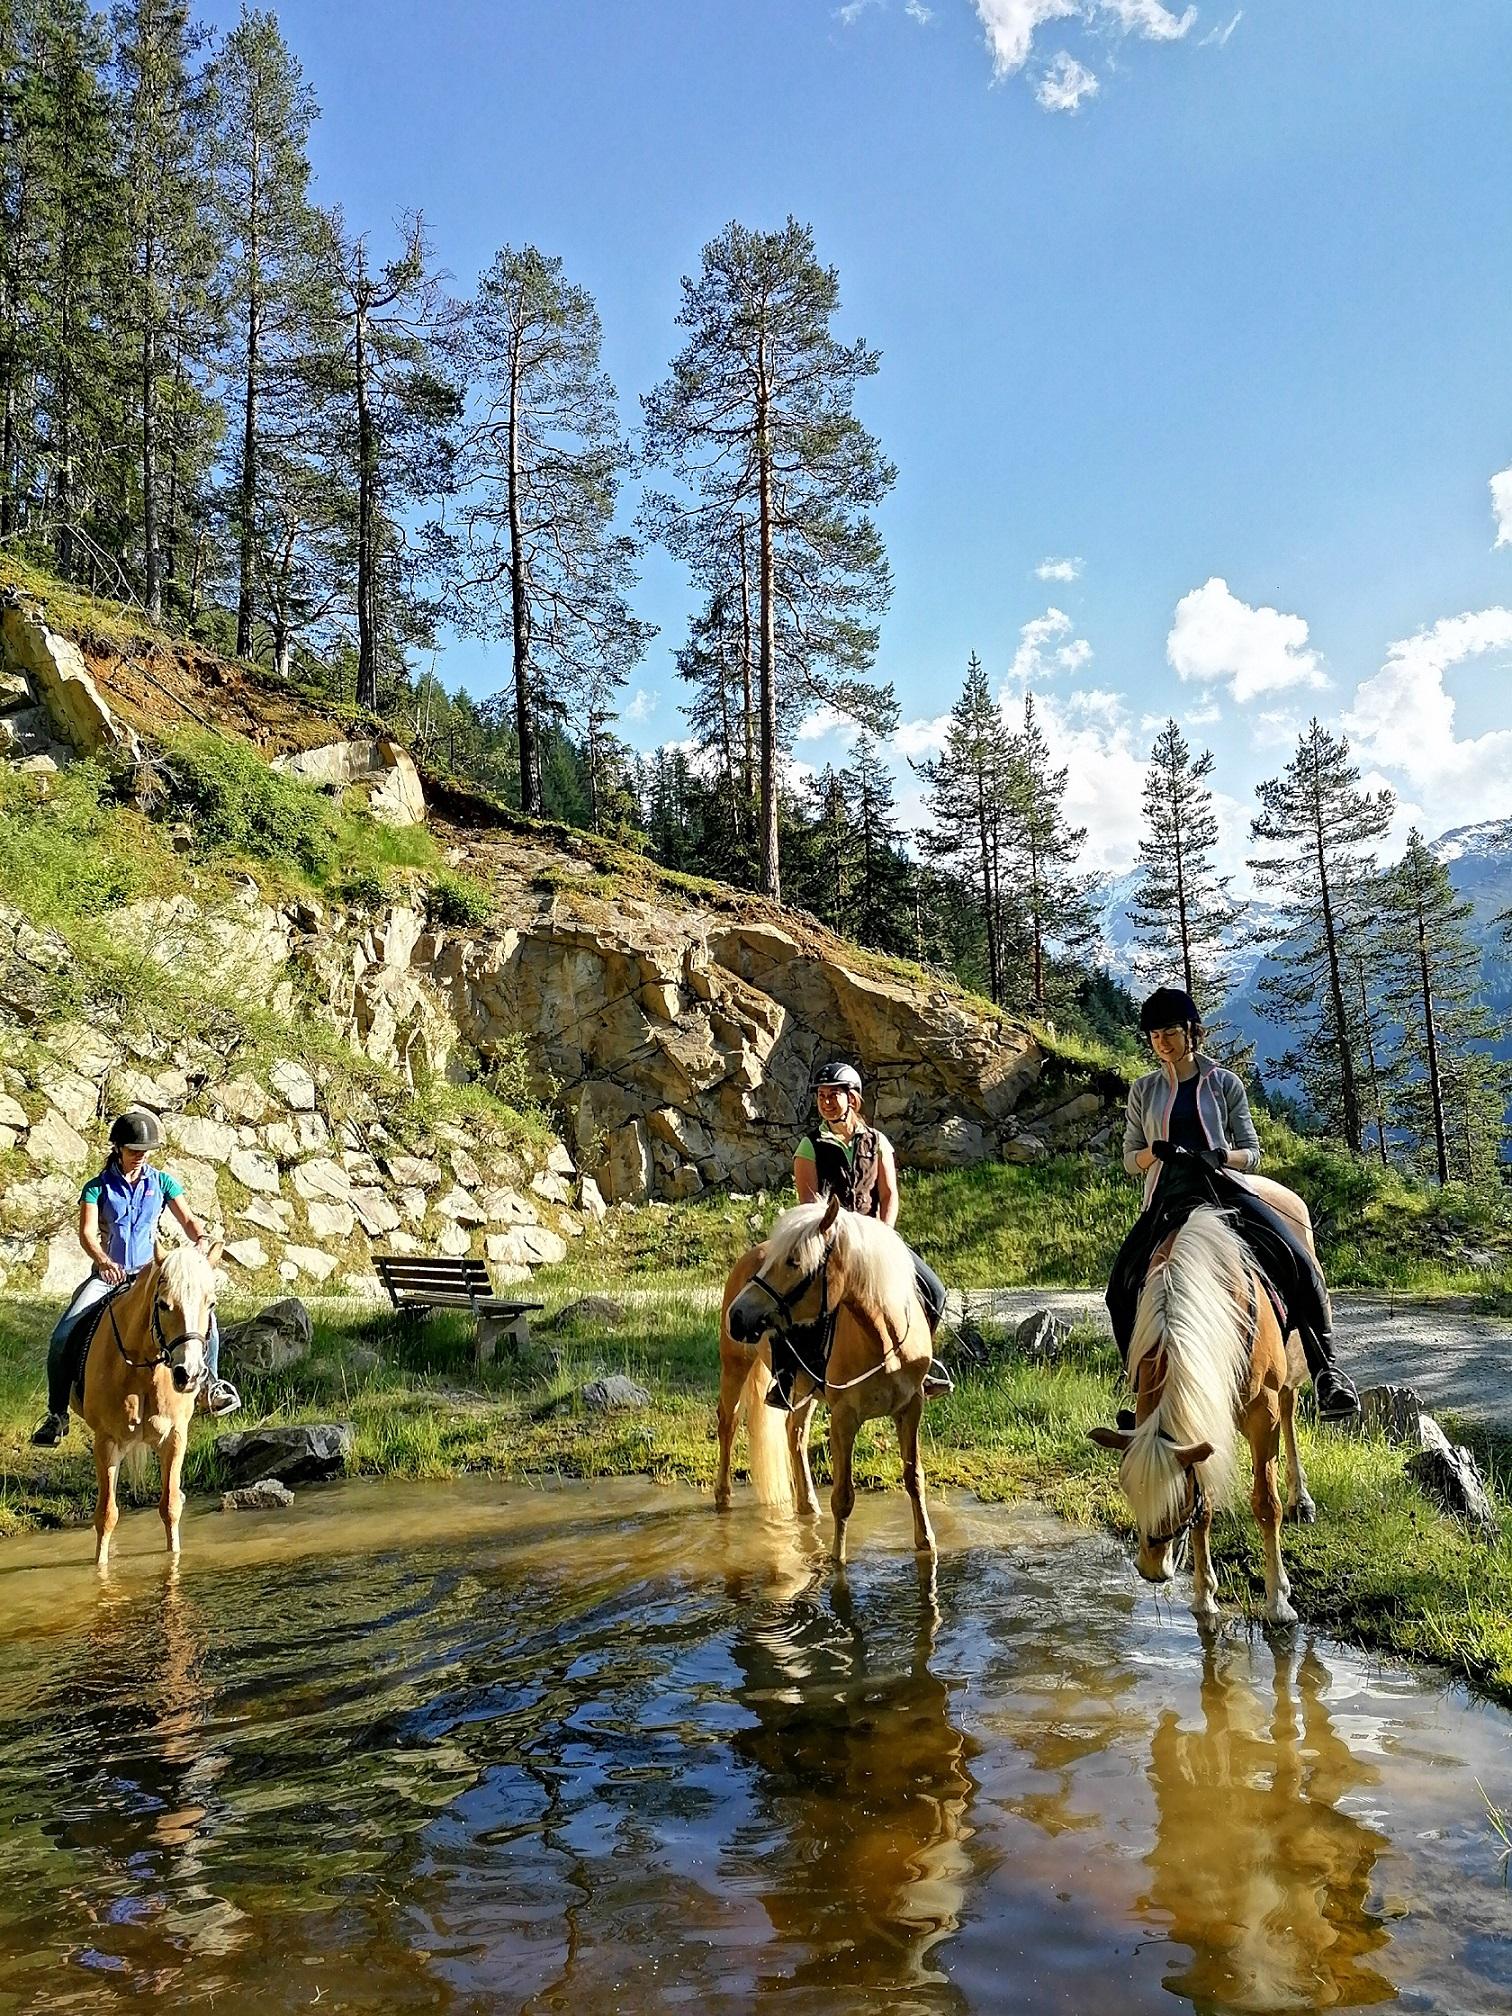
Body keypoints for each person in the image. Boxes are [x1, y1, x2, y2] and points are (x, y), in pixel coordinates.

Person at [1105, 987, 1360, 1424]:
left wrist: (1220, 1156)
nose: (1162, 1043)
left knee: (1299, 1262)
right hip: (1167, 1196)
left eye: (1170, 1033)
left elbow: (1252, 1153)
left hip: (1223, 1188)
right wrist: (1153, 1154)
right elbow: (1130, 1159)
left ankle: (1327, 1373)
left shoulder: (1224, 1083)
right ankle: (1142, 1389)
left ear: (1191, 1032)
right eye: (1155, 1036)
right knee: (1119, 1291)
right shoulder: (1143, 1090)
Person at [30, 1108, 241, 1447]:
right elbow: (87, 1234)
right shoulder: (96, 1188)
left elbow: (188, 1221)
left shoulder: (162, 1183)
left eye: (145, 1151)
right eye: (133, 1150)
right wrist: (102, 1260)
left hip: (150, 1276)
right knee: (63, 1334)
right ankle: (57, 1414)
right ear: (118, 1148)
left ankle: (211, 1386)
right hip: (109, 1276)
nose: (140, 1156)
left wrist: (200, 1238)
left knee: (206, 1321)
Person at [764, 1061, 949, 1412]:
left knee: (934, 1291)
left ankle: (922, 1368)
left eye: (833, 1095)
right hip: (830, 1244)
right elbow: (810, 1207)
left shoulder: (878, 1142)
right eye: (821, 1095)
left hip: (877, 1242)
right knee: (796, 1298)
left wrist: (884, 1235)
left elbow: (889, 1194)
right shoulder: (809, 1146)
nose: (825, 1102)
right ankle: (789, 1376)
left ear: (853, 1099)